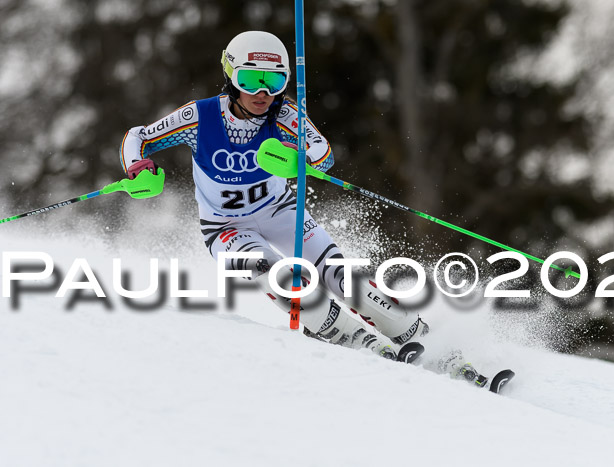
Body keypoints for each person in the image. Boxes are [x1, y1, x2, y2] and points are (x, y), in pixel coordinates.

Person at [119, 30, 428, 361]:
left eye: (274, 80)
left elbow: (323, 152)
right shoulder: (199, 117)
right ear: (231, 76)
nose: (263, 92)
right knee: (277, 275)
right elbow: (139, 136)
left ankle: (414, 332)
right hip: (225, 228)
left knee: (341, 275)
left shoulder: (284, 115)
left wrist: (300, 158)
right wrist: (137, 167)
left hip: (281, 212)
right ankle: (345, 333)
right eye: (251, 79)